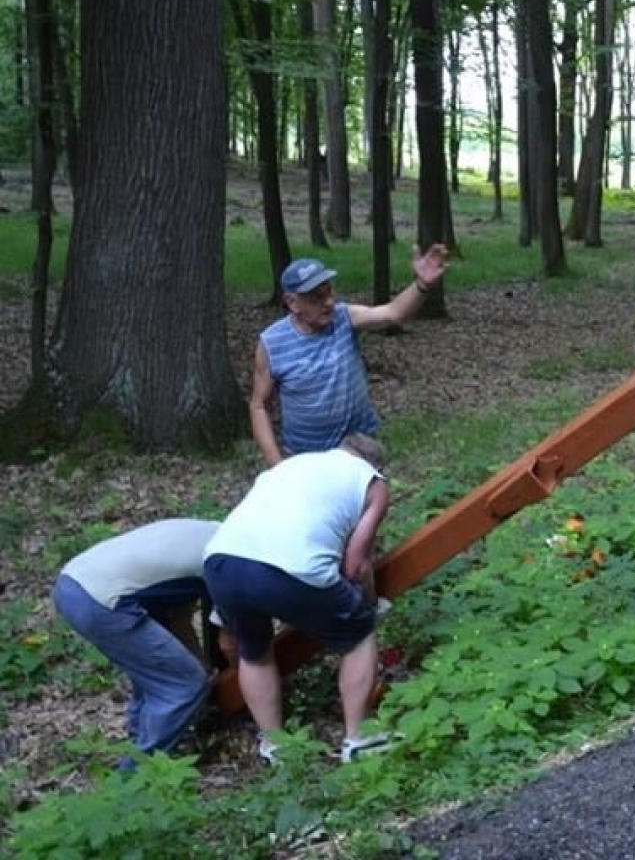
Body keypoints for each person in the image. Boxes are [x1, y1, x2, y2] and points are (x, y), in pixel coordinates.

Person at [204, 433, 395, 763]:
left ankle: (276, 746)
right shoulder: (373, 484)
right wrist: (367, 603)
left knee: (255, 651)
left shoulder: (290, 467)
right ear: (376, 466)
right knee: (359, 634)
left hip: (221, 562)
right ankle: (359, 739)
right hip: (293, 567)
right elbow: (356, 564)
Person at [250, 243, 449, 465]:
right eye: (317, 297)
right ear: (292, 303)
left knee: (370, 498)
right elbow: (259, 405)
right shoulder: (272, 343)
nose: (329, 302)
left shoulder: (344, 318)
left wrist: (422, 285)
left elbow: (393, 313)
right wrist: (275, 463)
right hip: (306, 456)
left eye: (329, 291)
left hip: (359, 447)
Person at [52, 518, 221, 768]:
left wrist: (200, 662)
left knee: (156, 679)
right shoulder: (225, 561)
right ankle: (136, 775)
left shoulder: (208, 534)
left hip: (72, 583)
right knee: (183, 684)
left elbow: (179, 619)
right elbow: (231, 641)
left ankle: (138, 743)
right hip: (101, 600)